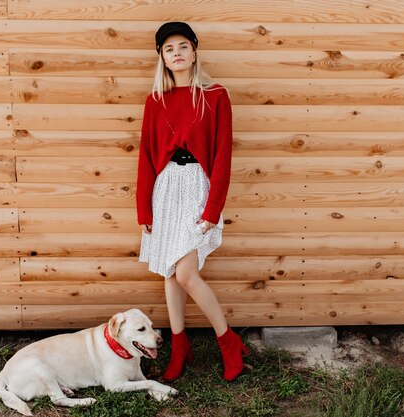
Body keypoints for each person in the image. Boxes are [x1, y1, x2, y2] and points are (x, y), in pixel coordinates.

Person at [136, 21, 247, 382]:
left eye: (183, 46)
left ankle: (227, 341)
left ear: (195, 51)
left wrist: (213, 208)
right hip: (165, 187)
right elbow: (146, 156)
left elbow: (222, 158)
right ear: (163, 59)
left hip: (198, 185)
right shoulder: (156, 101)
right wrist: (144, 208)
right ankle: (180, 345)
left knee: (185, 272)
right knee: (170, 271)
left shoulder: (215, 96)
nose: (177, 53)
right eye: (169, 49)